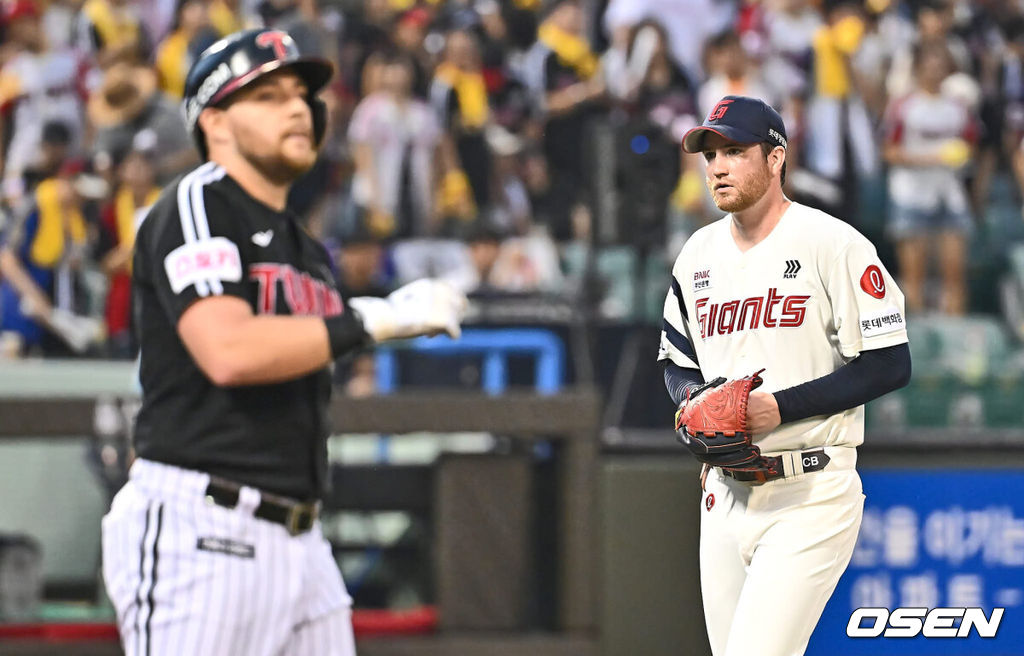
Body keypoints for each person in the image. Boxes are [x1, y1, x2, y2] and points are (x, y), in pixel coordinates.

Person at [100, 29, 467, 656]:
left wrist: (361, 323)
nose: (299, 108)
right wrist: (368, 321)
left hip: (300, 537)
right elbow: (230, 352)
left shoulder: (305, 249)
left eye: (302, 94)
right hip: (204, 525)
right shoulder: (198, 203)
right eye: (268, 96)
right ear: (214, 123)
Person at [657, 95, 911, 656]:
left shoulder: (832, 243)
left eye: (735, 151)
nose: (718, 166)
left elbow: (891, 361)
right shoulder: (696, 254)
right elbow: (676, 361)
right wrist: (695, 402)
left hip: (810, 491)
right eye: (711, 153)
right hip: (723, 494)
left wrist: (780, 408)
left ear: (775, 159)